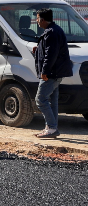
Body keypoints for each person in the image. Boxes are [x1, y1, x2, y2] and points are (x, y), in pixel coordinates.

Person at [32, 8, 72, 139]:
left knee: (40, 99)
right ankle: (51, 127)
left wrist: (45, 71)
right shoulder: (54, 30)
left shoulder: (51, 33)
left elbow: (51, 54)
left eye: (37, 19)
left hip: (52, 73)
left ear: (42, 20)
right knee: (53, 100)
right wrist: (37, 51)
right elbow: (50, 50)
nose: (36, 21)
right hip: (56, 72)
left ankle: (52, 127)